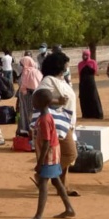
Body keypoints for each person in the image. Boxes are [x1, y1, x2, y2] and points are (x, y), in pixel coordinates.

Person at [21, 89, 76, 219]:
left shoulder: (45, 119)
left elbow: (46, 142)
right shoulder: (45, 116)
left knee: (44, 183)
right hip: (53, 152)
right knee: (56, 181)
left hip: (49, 154)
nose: (32, 102)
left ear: (40, 103)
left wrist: (40, 163)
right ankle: (69, 208)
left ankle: (38, 217)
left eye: (34, 100)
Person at [38, 51, 79, 197]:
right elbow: (38, 98)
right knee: (70, 154)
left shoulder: (60, 80)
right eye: (66, 64)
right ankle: (44, 176)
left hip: (65, 123)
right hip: (56, 125)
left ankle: (62, 186)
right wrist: (57, 102)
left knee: (62, 156)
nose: (67, 67)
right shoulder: (48, 81)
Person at [17, 56, 42, 135]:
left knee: (31, 115)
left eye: (22, 64)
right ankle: (25, 131)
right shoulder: (24, 72)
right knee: (24, 115)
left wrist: (28, 91)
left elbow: (35, 86)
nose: (21, 66)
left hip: (31, 97)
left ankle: (33, 132)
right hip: (24, 99)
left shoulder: (33, 72)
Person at [77, 50, 104, 119]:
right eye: (83, 55)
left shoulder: (93, 62)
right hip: (83, 83)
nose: (84, 56)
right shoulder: (80, 64)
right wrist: (80, 83)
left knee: (93, 97)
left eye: (86, 55)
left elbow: (95, 71)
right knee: (84, 98)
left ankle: (97, 114)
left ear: (89, 55)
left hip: (91, 82)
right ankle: (86, 114)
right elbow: (80, 74)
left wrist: (88, 65)